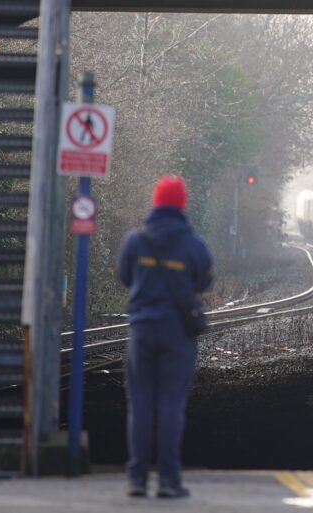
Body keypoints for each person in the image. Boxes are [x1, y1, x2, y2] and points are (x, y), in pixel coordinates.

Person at [116, 176, 212, 498]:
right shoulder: (193, 245)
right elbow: (204, 281)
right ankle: (169, 481)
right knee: (171, 403)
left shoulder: (135, 241)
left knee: (140, 403)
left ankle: (138, 479)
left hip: (141, 330)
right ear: (182, 205)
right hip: (177, 334)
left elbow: (125, 276)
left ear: (155, 202)